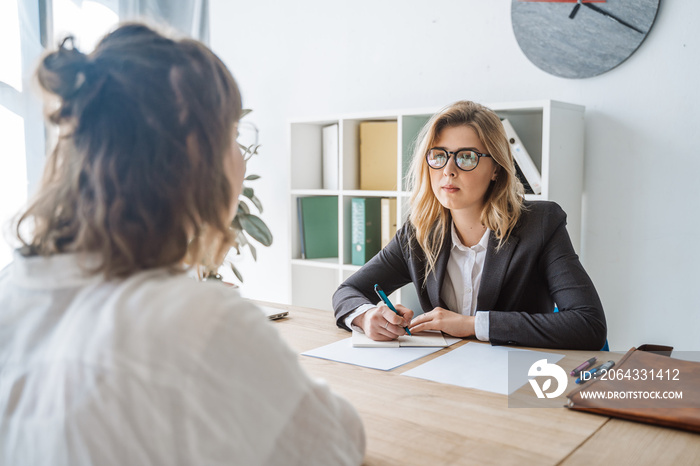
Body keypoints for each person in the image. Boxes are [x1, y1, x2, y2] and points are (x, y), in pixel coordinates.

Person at [0, 23, 364, 465]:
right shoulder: (199, 321)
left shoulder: (12, 287)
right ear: (194, 154)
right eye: (231, 136)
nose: (241, 159)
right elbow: (335, 445)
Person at [333, 100, 606, 350]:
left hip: (518, 378)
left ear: (496, 168)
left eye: (466, 157)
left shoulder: (541, 224)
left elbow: (588, 324)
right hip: (446, 374)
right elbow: (348, 291)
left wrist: (470, 325)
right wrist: (366, 316)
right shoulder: (418, 232)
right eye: (439, 155)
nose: (448, 170)